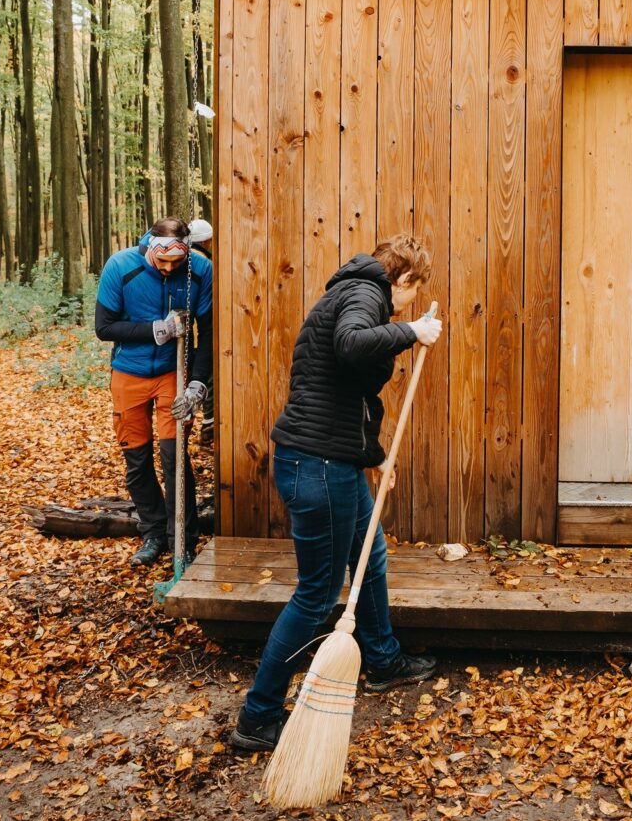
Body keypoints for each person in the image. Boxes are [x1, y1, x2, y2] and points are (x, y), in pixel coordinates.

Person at [230, 235, 444, 753]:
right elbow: (351, 348)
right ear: (405, 279)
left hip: (330, 463)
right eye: (414, 294)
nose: (411, 304)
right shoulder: (365, 293)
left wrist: (372, 458)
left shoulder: (353, 292)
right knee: (317, 595)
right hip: (318, 468)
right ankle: (257, 718)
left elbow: (342, 393)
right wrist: (411, 331)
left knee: (370, 558)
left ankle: (384, 660)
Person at [95, 219, 213, 568]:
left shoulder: (200, 268)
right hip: (128, 373)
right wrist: (157, 329)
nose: (168, 268)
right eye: (161, 261)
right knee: (138, 460)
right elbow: (104, 327)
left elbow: (207, 332)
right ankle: (154, 532)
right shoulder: (120, 266)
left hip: (173, 376)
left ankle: (183, 541)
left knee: (174, 457)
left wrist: (198, 383)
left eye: (176, 263)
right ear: (149, 248)